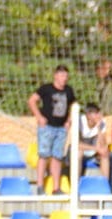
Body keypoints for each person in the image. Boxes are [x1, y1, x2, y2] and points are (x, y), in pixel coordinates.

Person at [27, 65, 75, 195]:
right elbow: (32, 101)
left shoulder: (69, 91)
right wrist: (39, 116)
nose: (64, 78)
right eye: (61, 75)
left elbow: (72, 105)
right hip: (47, 127)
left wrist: (68, 120)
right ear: (55, 75)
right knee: (44, 155)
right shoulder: (46, 89)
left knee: (57, 157)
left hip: (61, 129)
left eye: (66, 76)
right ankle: (40, 186)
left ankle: (56, 187)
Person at [77, 103, 109, 179]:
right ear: (88, 115)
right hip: (81, 151)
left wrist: (98, 128)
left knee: (105, 152)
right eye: (96, 113)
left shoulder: (102, 123)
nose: (99, 115)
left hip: (93, 153)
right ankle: (76, 183)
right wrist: (96, 149)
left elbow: (102, 145)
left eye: (99, 112)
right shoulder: (80, 122)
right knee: (79, 153)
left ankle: (104, 183)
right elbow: (76, 144)